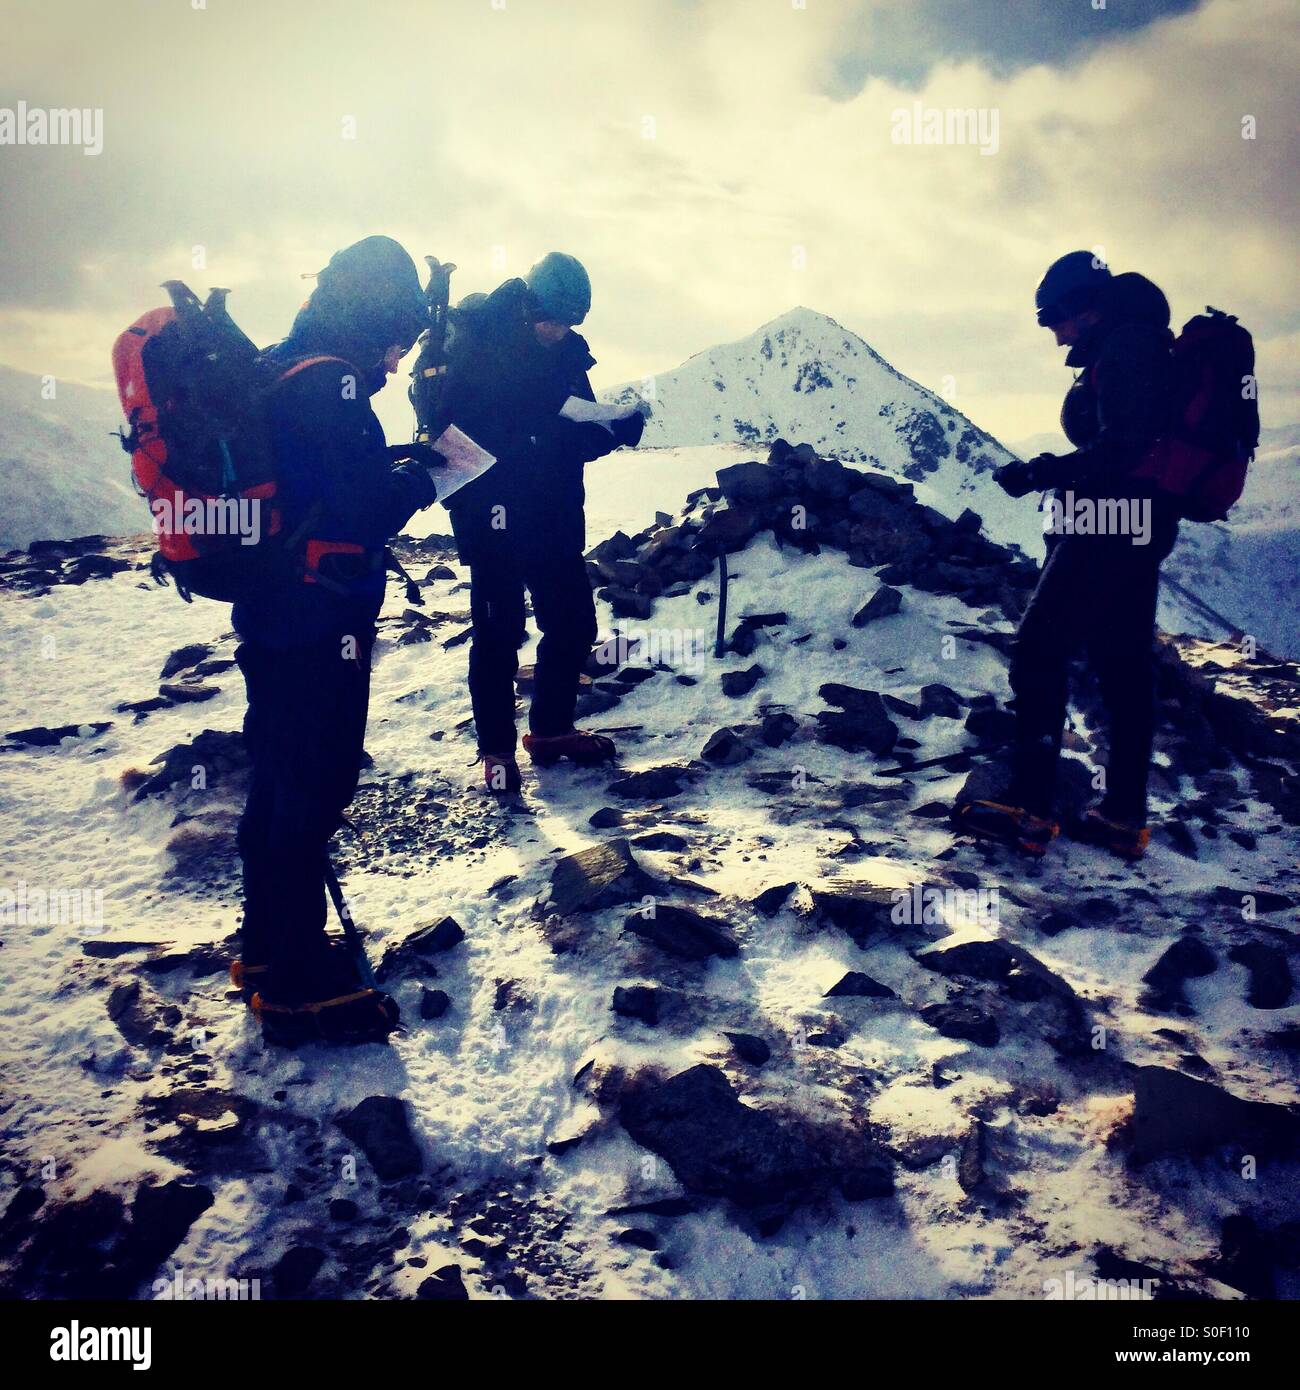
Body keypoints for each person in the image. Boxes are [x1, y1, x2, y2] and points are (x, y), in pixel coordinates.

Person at [232, 235, 443, 1043]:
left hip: (269, 611)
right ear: (374, 318)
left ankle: (266, 948)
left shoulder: (283, 364)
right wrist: (419, 479)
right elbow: (358, 510)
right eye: (398, 338)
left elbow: (313, 490)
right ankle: (298, 985)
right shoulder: (334, 385)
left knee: (277, 776)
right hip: (319, 617)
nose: (398, 358)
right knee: (315, 784)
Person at [956, 251, 1179, 860]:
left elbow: (1123, 448)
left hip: (1108, 524)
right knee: (1121, 663)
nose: (1053, 333)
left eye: (1053, 317)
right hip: (1139, 524)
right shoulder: (1135, 342)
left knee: (1039, 649)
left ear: (1086, 305)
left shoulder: (1128, 348)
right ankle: (1122, 818)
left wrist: (1042, 473)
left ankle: (1028, 809)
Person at [440, 252, 645, 793]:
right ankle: (495, 752)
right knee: (499, 632)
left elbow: (575, 432)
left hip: (554, 514)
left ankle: (551, 731)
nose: (559, 331)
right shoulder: (484, 347)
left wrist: (614, 431)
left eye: (569, 322)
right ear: (530, 306)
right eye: (551, 320)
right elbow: (480, 437)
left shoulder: (569, 354)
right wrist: (556, 435)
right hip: (491, 515)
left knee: (574, 623)